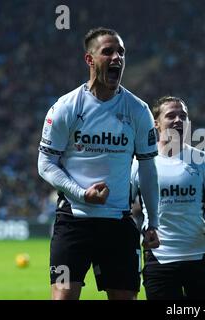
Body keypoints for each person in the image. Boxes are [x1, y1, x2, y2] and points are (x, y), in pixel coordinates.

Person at [37, 27, 160, 300]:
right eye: (108, 52)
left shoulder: (138, 111)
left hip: (118, 223)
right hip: (73, 221)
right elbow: (45, 163)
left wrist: (153, 220)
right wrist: (81, 194)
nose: (117, 58)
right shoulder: (66, 107)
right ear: (89, 60)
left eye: (121, 53)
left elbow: (149, 169)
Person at [131, 96, 205, 300]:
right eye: (171, 116)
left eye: (183, 116)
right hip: (160, 261)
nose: (178, 120)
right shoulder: (139, 163)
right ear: (156, 123)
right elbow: (122, 210)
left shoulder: (203, 160)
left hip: (200, 258)